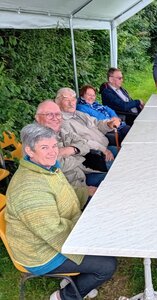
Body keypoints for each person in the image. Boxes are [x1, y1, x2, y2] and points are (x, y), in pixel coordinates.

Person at [5, 123, 117, 300]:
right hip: (41, 253)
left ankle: (76, 275)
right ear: (30, 151)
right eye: (44, 147)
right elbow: (54, 232)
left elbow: (64, 193)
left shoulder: (45, 167)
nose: (52, 152)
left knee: (103, 218)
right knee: (107, 265)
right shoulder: (29, 190)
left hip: (59, 232)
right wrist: (89, 232)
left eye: (54, 146)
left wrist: (86, 192)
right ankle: (65, 296)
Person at [35, 100, 106, 187]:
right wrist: (80, 155)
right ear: (37, 118)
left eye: (58, 114)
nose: (55, 118)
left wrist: (72, 150)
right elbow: (59, 166)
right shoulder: (36, 140)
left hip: (82, 174)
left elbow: (83, 144)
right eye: (49, 114)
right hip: (70, 188)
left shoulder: (61, 130)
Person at [55, 88, 120, 170]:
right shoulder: (62, 123)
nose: (71, 103)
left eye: (73, 99)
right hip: (95, 155)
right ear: (58, 103)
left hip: (105, 147)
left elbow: (96, 123)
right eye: (66, 100)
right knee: (122, 167)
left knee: (128, 153)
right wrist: (103, 150)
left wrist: (108, 124)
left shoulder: (79, 114)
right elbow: (81, 143)